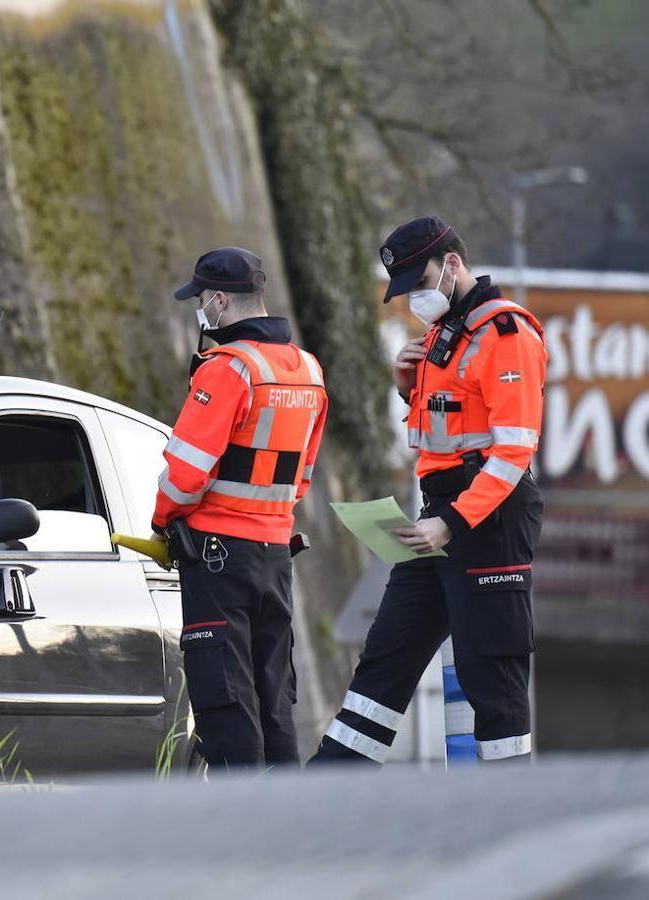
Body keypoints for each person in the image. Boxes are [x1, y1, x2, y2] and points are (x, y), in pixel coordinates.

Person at [310, 216, 547, 766]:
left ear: (453, 265)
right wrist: (404, 388)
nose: (414, 297)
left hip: (489, 519)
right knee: (385, 657)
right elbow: (441, 434)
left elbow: (513, 452)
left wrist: (455, 521)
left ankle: (508, 818)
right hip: (440, 514)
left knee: (491, 676)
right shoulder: (443, 335)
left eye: (421, 281)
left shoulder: (505, 334)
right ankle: (322, 793)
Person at [151, 247, 328, 772]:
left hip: (216, 558)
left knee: (227, 698)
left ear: (220, 300)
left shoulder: (228, 370)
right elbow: (302, 478)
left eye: (202, 300)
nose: (199, 311)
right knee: (273, 696)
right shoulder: (309, 372)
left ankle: (241, 823)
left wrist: (162, 522)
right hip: (276, 554)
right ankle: (282, 823)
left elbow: (186, 473)